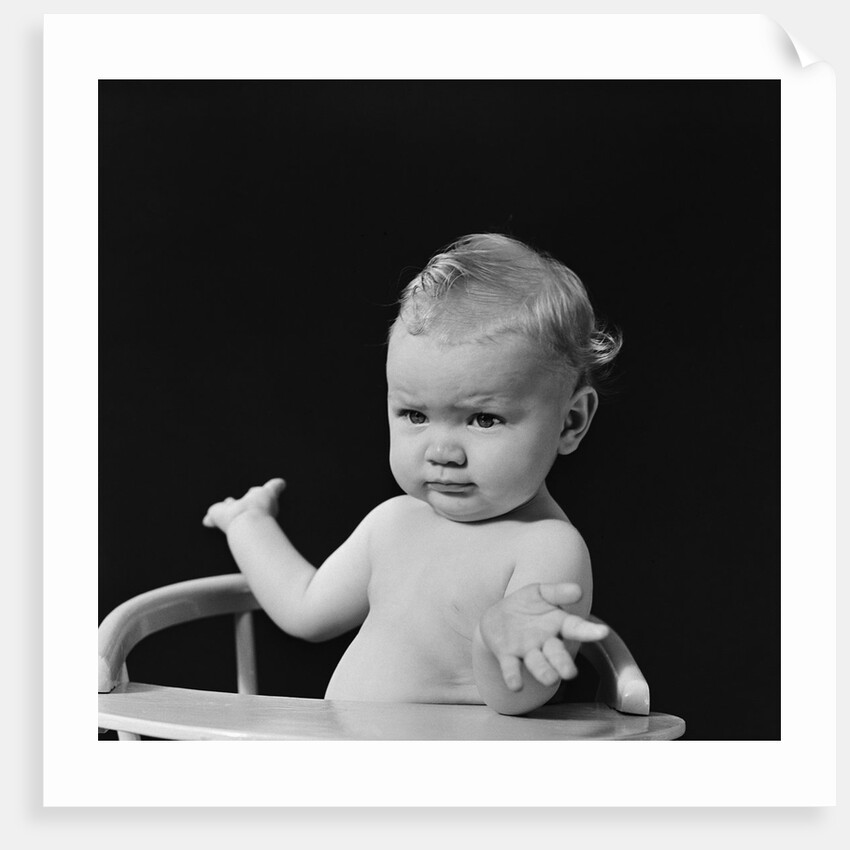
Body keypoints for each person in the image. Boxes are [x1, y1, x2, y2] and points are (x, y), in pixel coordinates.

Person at [203, 233, 622, 715]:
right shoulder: (393, 523)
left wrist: (495, 640)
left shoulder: (545, 546)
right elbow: (305, 609)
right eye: (415, 416)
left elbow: (516, 699)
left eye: (483, 419)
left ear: (570, 422)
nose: (442, 451)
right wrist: (248, 523)